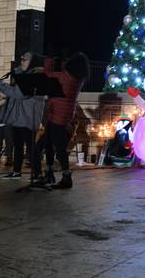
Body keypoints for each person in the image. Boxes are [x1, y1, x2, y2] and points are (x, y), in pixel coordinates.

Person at [0, 52, 46, 180]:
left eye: (25, 59)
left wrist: (0, 85)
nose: (21, 61)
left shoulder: (37, 76)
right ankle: (16, 172)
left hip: (28, 117)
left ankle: (38, 174)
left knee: (31, 147)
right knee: (17, 146)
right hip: (18, 117)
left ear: (32, 62)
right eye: (21, 59)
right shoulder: (22, 75)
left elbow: (19, 94)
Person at [41, 52, 90, 189]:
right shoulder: (79, 79)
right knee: (51, 143)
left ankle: (66, 177)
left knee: (58, 147)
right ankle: (51, 173)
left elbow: (48, 74)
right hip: (64, 113)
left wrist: (49, 59)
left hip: (58, 114)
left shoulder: (65, 77)